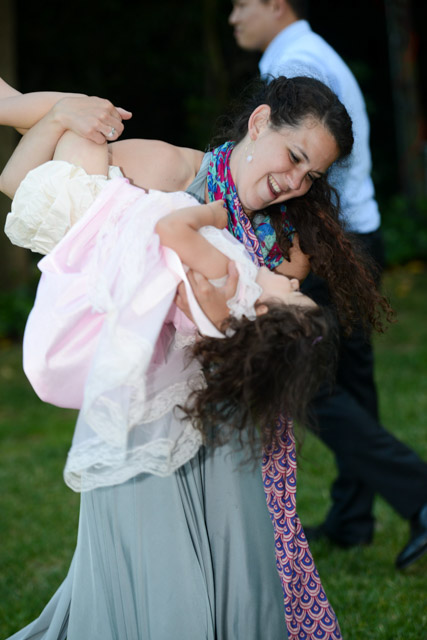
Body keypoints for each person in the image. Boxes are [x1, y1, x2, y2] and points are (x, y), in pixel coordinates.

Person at [0, 75, 387, 639]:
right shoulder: (167, 171)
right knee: (160, 593)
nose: (294, 183)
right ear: (258, 123)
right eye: (294, 157)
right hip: (150, 419)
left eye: (312, 176)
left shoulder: (288, 237)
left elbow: (269, 330)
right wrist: (59, 115)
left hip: (237, 428)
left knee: (244, 593)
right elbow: (31, 187)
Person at [228, 0, 427, 570]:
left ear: (275, 4)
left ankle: (417, 494)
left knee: (310, 385)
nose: (234, 16)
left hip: (325, 246)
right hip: (356, 239)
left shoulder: (298, 62)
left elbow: (304, 178)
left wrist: (290, 253)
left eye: (243, 4)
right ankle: (352, 518)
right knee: (352, 387)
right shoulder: (309, 53)